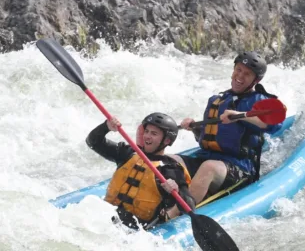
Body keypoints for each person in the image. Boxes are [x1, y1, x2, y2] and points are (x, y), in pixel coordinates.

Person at [165, 51, 283, 219]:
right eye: (238, 70)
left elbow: (274, 123)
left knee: (209, 167)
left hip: (240, 169)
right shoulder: (219, 99)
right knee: (169, 160)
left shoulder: (259, 99)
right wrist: (194, 128)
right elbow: (207, 139)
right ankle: (160, 201)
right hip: (208, 157)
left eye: (247, 74)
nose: (240, 76)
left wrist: (240, 115)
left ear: (255, 80)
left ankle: (172, 216)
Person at [85, 112, 196, 230]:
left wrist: (176, 191)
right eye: (147, 131)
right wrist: (106, 127)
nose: (147, 136)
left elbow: (189, 206)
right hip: (105, 218)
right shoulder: (127, 153)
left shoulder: (170, 169)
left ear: (167, 140)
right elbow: (93, 142)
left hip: (138, 231)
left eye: (154, 133)